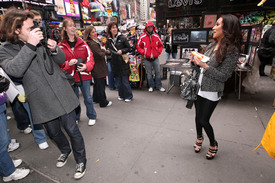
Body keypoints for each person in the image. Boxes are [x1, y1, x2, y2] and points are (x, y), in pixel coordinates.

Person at [0, 9, 87, 179]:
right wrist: (30, 45)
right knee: (53, 132)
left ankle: (81, 160)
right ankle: (65, 150)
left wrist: (55, 49)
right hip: (40, 99)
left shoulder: (39, 40)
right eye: (30, 28)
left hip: (60, 91)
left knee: (71, 129)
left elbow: (61, 61)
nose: (35, 30)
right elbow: (15, 71)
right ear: (16, 30)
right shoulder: (5, 49)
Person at [189, 14, 241, 160]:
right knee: (197, 117)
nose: (213, 27)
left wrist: (204, 66)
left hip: (212, 91)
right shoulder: (211, 45)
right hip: (199, 86)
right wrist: (194, 61)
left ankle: (213, 143)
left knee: (204, 120)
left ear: (227, 29)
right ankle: (199, 137)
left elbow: (223, 76)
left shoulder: (232, 50)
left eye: (218, 24)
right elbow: (202, 65)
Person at [59, 19, 97, 126]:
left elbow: (91, 59)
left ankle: (92, 115)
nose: (73, 27)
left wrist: (86, 66)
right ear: (65, 29)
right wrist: (68, 64)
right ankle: (76, 117)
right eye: (70, 26)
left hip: (84, 75)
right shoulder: (60, 46)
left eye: (73, 25)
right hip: (70, 77)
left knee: (88, 98)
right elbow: (59, 63)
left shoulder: (83, 43)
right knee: (74, 100)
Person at [84, 25, 112, 107]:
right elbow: (99, 54)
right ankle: (103, 102)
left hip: (97, 65)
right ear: (89, 34)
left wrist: (103, 50)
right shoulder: (92, 43)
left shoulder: (93, 41)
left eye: (95, 31)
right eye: (93, 32)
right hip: (98, 66)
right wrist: (105, 52)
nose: (95, 33)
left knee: (97, 83)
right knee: (100, 84)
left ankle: (95, 98)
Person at [105, 22, 133, 102]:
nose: (114, 29)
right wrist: (107, 52)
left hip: (123, 61)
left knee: (124, 80)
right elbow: (107, 49)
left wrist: (122, 50)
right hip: (114, 62)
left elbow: (128, 48)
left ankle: (128, 96)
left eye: (115, 27)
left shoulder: (122, 38)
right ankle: (121, 95)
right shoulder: (109, 40)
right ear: (109, 30)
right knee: (119, 81)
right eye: (112, 28)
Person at [136, 21, 166, 93]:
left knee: (158, 72)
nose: (150, 28)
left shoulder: (156, 36)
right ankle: (151, 86)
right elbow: (138, 46)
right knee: (149, 73)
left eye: (151, 27)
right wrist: (143, 52)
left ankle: (159, 86)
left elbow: (160, 46)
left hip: (155, 58)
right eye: (148, 27)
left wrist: (158, 52)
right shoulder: (142, 37)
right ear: (146, 28)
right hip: (146, 58)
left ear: (153, 27)